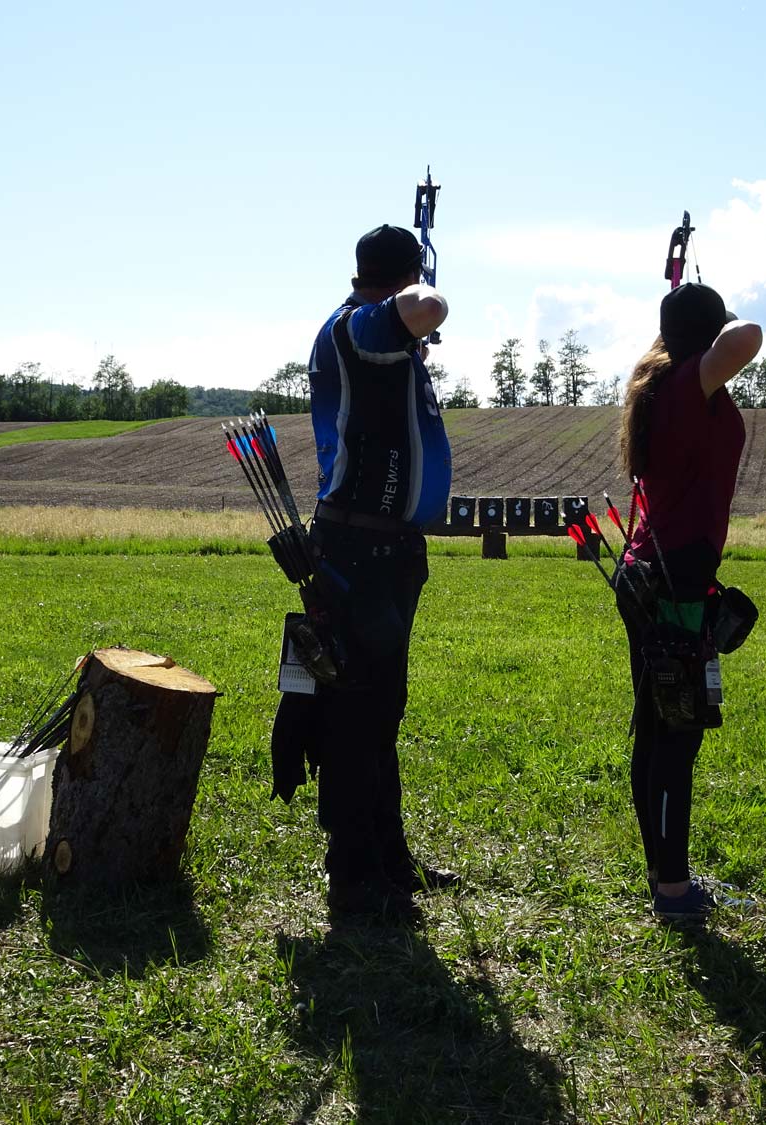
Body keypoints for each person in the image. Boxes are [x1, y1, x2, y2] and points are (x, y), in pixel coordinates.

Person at [280, 223, 455, 922]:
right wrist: (425, 294)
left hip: (386, 552)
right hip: (357, 550)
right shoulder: (359, 327)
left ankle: (388, 857)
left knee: (381, 712)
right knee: (355, 716)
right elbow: (426, 311)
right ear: (398, 279)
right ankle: (353, 875)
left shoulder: (381, 337)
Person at [614, 282, 761, 920]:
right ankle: (673, 889)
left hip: (654, 575)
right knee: (675, 735)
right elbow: (748, 338)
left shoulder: (670, 386)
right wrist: (721, 323)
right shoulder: (683, 389)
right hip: (671, 583)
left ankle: (665, 875)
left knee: (657, 730)